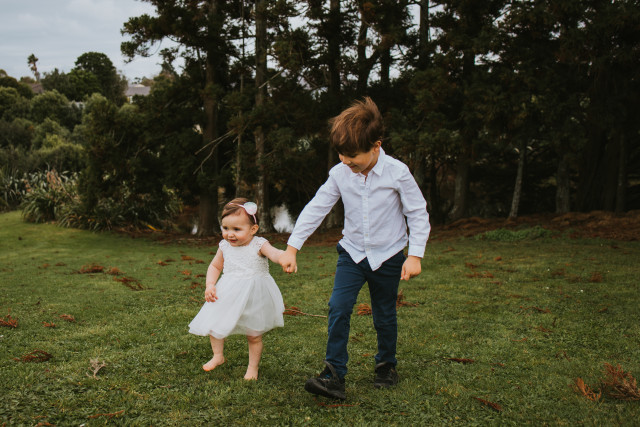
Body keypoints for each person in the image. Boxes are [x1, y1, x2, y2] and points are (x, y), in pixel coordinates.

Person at [279, 97, 430, 400]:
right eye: (341, 154)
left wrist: (414, 255)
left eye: (352, 156)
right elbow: (317, 208)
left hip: (388, 256)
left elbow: (417, 212)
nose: (345, 161)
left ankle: (386, 366)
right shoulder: (340, 173)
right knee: (338, 307)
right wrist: (292, 247)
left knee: (384, 314)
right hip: (352, 254)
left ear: (376, 146)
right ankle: (333, 374)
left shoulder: (397, 172)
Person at [189, 198, 285, 380]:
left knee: (254, 335)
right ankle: (218, 356)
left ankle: (252, 368)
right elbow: (215, 266)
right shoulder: (224, 246)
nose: (230, 234)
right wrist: (210, 285)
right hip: (228, 291)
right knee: (215, 323)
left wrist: (284, 257)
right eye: (225, 228)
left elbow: (274, 253)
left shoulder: (259, 244)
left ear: (253, 229)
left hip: (255, 295)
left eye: (236, 229)